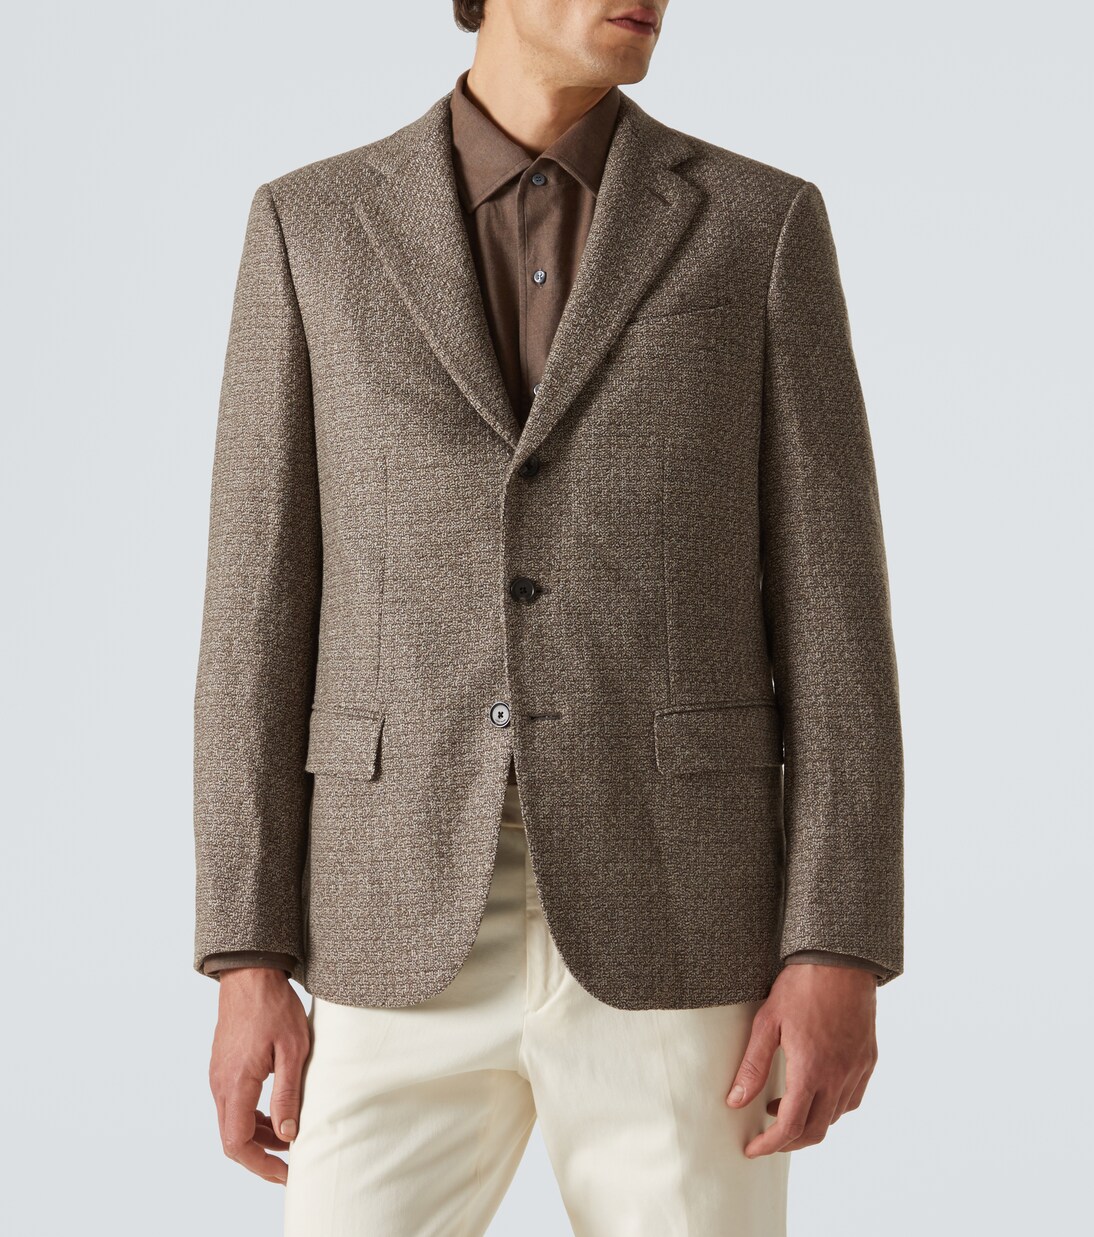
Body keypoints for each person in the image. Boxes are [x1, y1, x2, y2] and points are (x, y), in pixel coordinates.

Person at [193, 2, 904, 1232]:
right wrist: (244, 954)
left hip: (682, 920)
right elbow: (254, 610)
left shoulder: (757, 225)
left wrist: (836, 942)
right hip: (389, 908)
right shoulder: (312, 226)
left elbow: (834, 614)